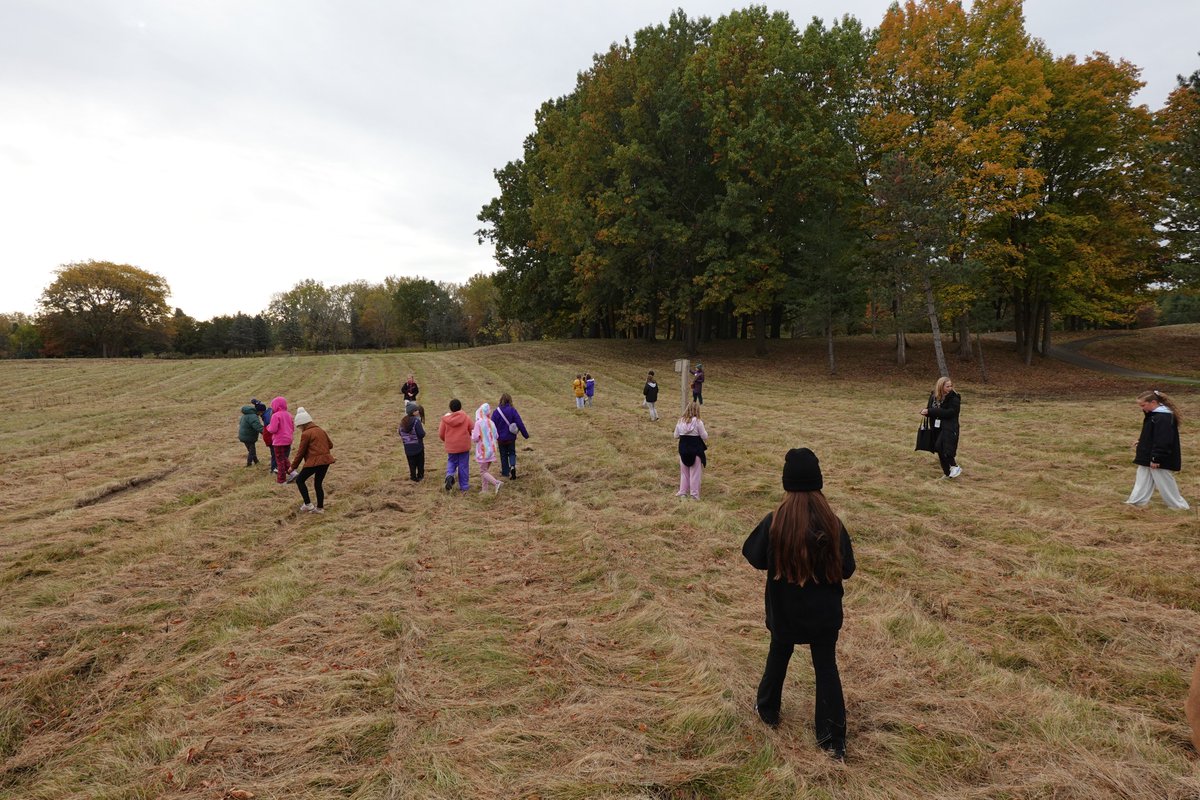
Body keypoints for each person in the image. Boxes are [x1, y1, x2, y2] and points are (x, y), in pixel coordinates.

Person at [742, 448, 855, 762]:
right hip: (824, 617)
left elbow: (752, 555)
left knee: (779, 654)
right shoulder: (832, 524)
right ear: (819, 483)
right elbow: (848, 568)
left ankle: (767, 711)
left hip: (785, 613)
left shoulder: (776, 520)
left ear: (786, 483)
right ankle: (833, 741)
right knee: (826, 667)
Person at [1125, 389, 1189, 510]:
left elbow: (1163, 440)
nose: (1142, 408)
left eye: (1143, 405)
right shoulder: (1154, 416)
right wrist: (1142, 441)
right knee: (1142, 478)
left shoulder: (1163, 417)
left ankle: (1179, 506)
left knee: (1164, 481)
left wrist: (1156, 458)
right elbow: (1152, 435)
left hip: (1160, 458)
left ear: (1153, 402)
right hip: (1148, 454)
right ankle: (1136, 502)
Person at [285, 407, 335, 513]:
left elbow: (300, 453)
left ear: (302, 424)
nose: (300, 429)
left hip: (314, 462)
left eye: (299, 427)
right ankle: (320, 508)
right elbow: (330, 445)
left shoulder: (306, 434)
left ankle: (308, 504)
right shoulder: (320, 430)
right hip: (326, 460)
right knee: (318, 484)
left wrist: (292, 467)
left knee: (299, 480)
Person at [920, 376, 961, 478]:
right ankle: (947, 473)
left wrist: (931, 411)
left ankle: (954, 466)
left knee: (943, 447)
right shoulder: (933, 396)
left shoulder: (954, 398)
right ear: (940, 386)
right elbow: (930, 409)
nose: (950, 388)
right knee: (939, 449)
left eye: (951, 386)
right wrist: (926, 412)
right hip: (936, 427)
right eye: (947, 386)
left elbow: (950, 413)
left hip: (949, 427)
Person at [674, 401, 708, 499]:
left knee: (684, 473)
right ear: (697, 410)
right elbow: (705, 436)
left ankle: (682, 492)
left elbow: (675, 435)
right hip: (696, 451)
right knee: (695, 474)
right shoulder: (698, 422)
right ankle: (694, 495)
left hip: (683, 450)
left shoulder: (680, 421)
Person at [438, 398, 474, 492]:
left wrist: (447, 440)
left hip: (451, 446)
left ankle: (449, 476)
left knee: (451, 462)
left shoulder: (445, 420)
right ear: (460, 407)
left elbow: (441, 434)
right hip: (463, 446)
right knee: (463, 466)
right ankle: (464, 487)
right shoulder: (466, 417)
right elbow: (472, 429)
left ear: (450, 408)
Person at [492, 393, 530, 479]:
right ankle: (512, 466)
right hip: (511, 438)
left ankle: (505, 472)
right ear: (510, 400)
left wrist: (491, 437)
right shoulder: (512, 410)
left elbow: (492, 425)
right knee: (512, 453)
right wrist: (525, 435)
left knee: (503, 455)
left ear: (501, 400)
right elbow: (519, 423)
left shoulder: (496, 412)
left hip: (501, 439)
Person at [472, 402, 503, 494]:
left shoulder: (478, 423)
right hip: (491, 451)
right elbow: (496, 436)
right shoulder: (491, 422)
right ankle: (484, 490)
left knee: (482, 472)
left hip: (483, 451)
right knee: (485, 471)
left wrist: (473, 433)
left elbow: (475, 438)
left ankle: (496, 483)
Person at [264, 396, 295, 484]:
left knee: (280, 461)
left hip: (279, 441)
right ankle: (292, 472)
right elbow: (292, 427)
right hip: (288, 439)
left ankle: (281, 480)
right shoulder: (288, 414)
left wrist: (268, 427)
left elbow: (273, 429)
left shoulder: (275, 415)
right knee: (284, 457)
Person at [399, 401, 426, 482]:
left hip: (407, 447)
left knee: (411, 463)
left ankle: (413, 477)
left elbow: (400, 432)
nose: (418, 411)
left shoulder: (402, 421)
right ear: (413, 412)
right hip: (418, 446)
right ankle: (420, 476)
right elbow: (421, 434)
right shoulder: (416, 421)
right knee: (420, 462)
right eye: (416, 410)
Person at [254, 398, 276, 473]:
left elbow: (270, 429)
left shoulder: (267, 418)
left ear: (260, 412)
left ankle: (274, 469)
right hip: (273, 439)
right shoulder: (268, 412)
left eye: (258, 413)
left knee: (274, 454)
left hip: (273, 439)